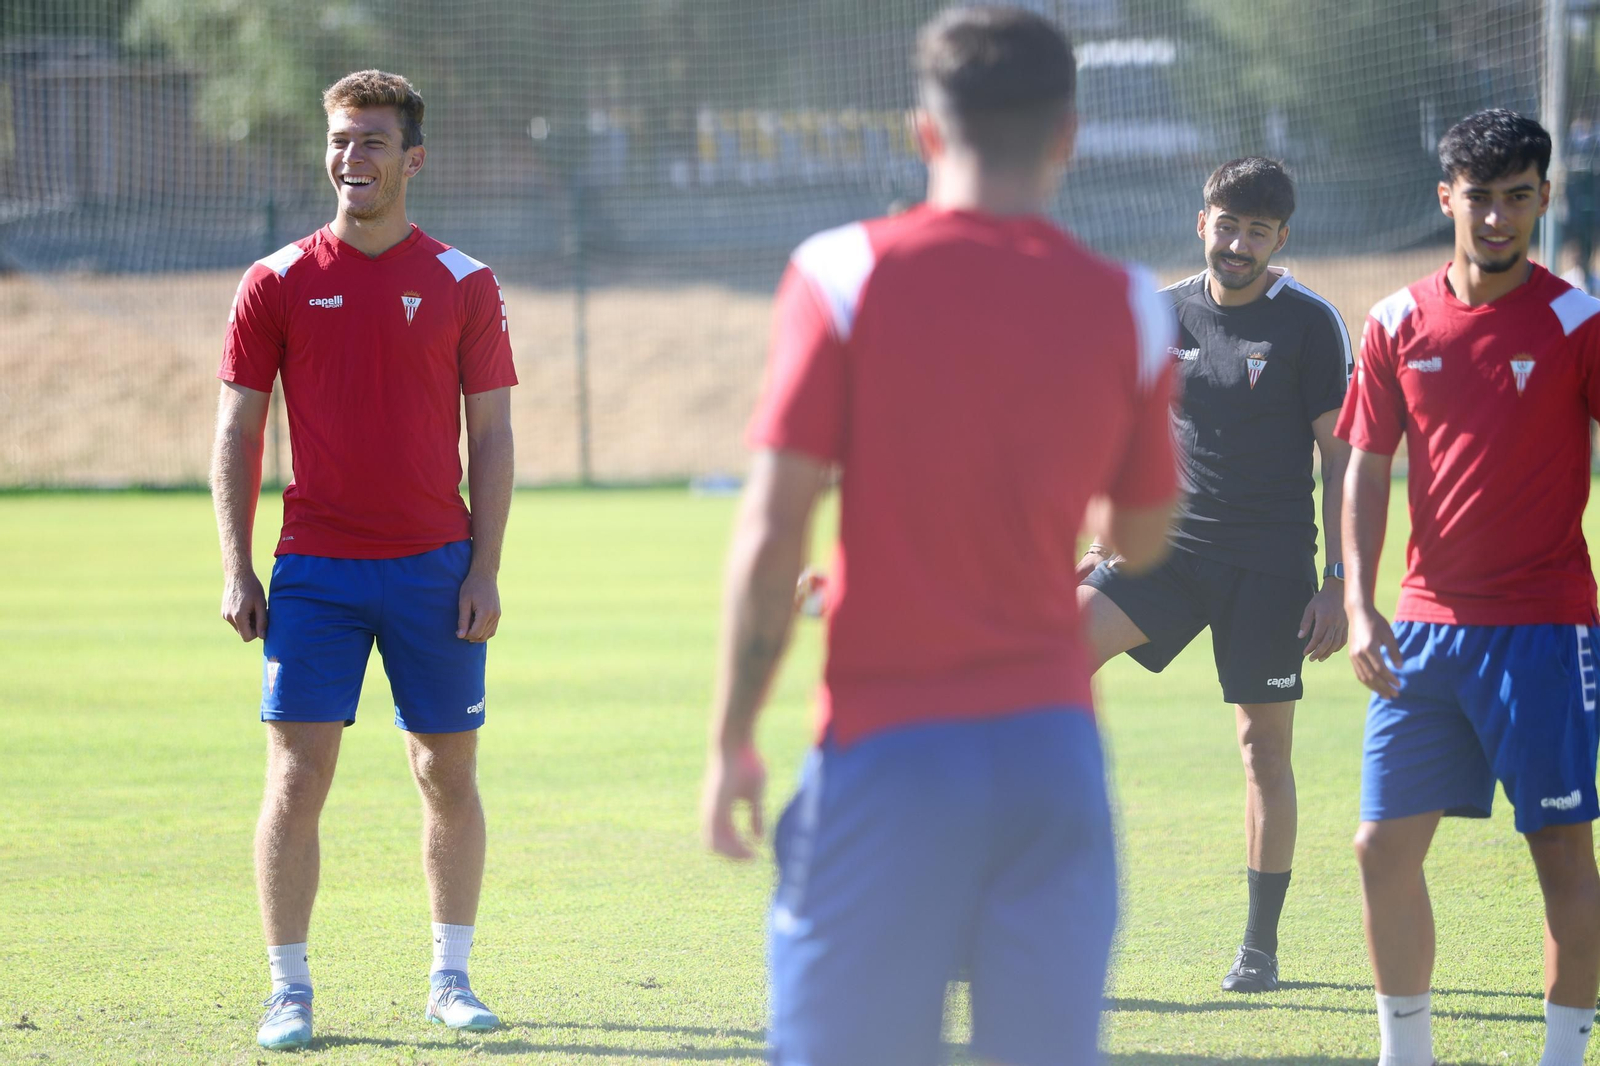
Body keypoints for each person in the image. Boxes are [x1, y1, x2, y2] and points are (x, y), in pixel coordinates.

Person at [699, 7, 1180, 1064]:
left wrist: (733, 735)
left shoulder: (841, 274)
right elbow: (1142, 539)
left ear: (925, 130)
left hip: (888, 751)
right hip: (1052, 760)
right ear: (1067, 133)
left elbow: (774, 530)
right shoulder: (1133, 307)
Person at [210, 69, 516, 1051]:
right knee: (296, 783)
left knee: (445, 776)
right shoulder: (276, 280)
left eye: (373, 141)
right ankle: (289, 992)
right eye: (342, 139)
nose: (353, 157)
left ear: (411, 159)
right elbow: (236, 433)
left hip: (435, 568)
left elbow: (495, 436)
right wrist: (236, 564)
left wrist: (484, 565)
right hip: (316, 572)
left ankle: (451, 977)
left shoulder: (465, 281)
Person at [1339, 109, 1600, 1066]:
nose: (1497, 219)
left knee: (1562, 857)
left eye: (1518, 199)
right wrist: (1360, 601)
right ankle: (1405, 1057)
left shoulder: (1577, 320)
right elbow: (1367, 463)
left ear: (1542, 199)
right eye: (1479, 199)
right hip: (1425, 632)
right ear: (1446, 197)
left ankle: (1564, 1059)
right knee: (1380, 848)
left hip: (1543, 629)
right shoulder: (1395, 321)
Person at [1077, 156, 1353, 993]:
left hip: (1269, 568)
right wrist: (1101, 533)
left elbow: (1342, 459)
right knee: (1040, 661)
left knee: (1262, 752)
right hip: (1164, 552)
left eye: (1256, 232)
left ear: (1281, 239)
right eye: (1226, 225)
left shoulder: (1310, 323)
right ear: (1203, 222)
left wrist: (1338, 580)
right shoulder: (1159, 313)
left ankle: (1259, 947)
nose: (1238, 244)